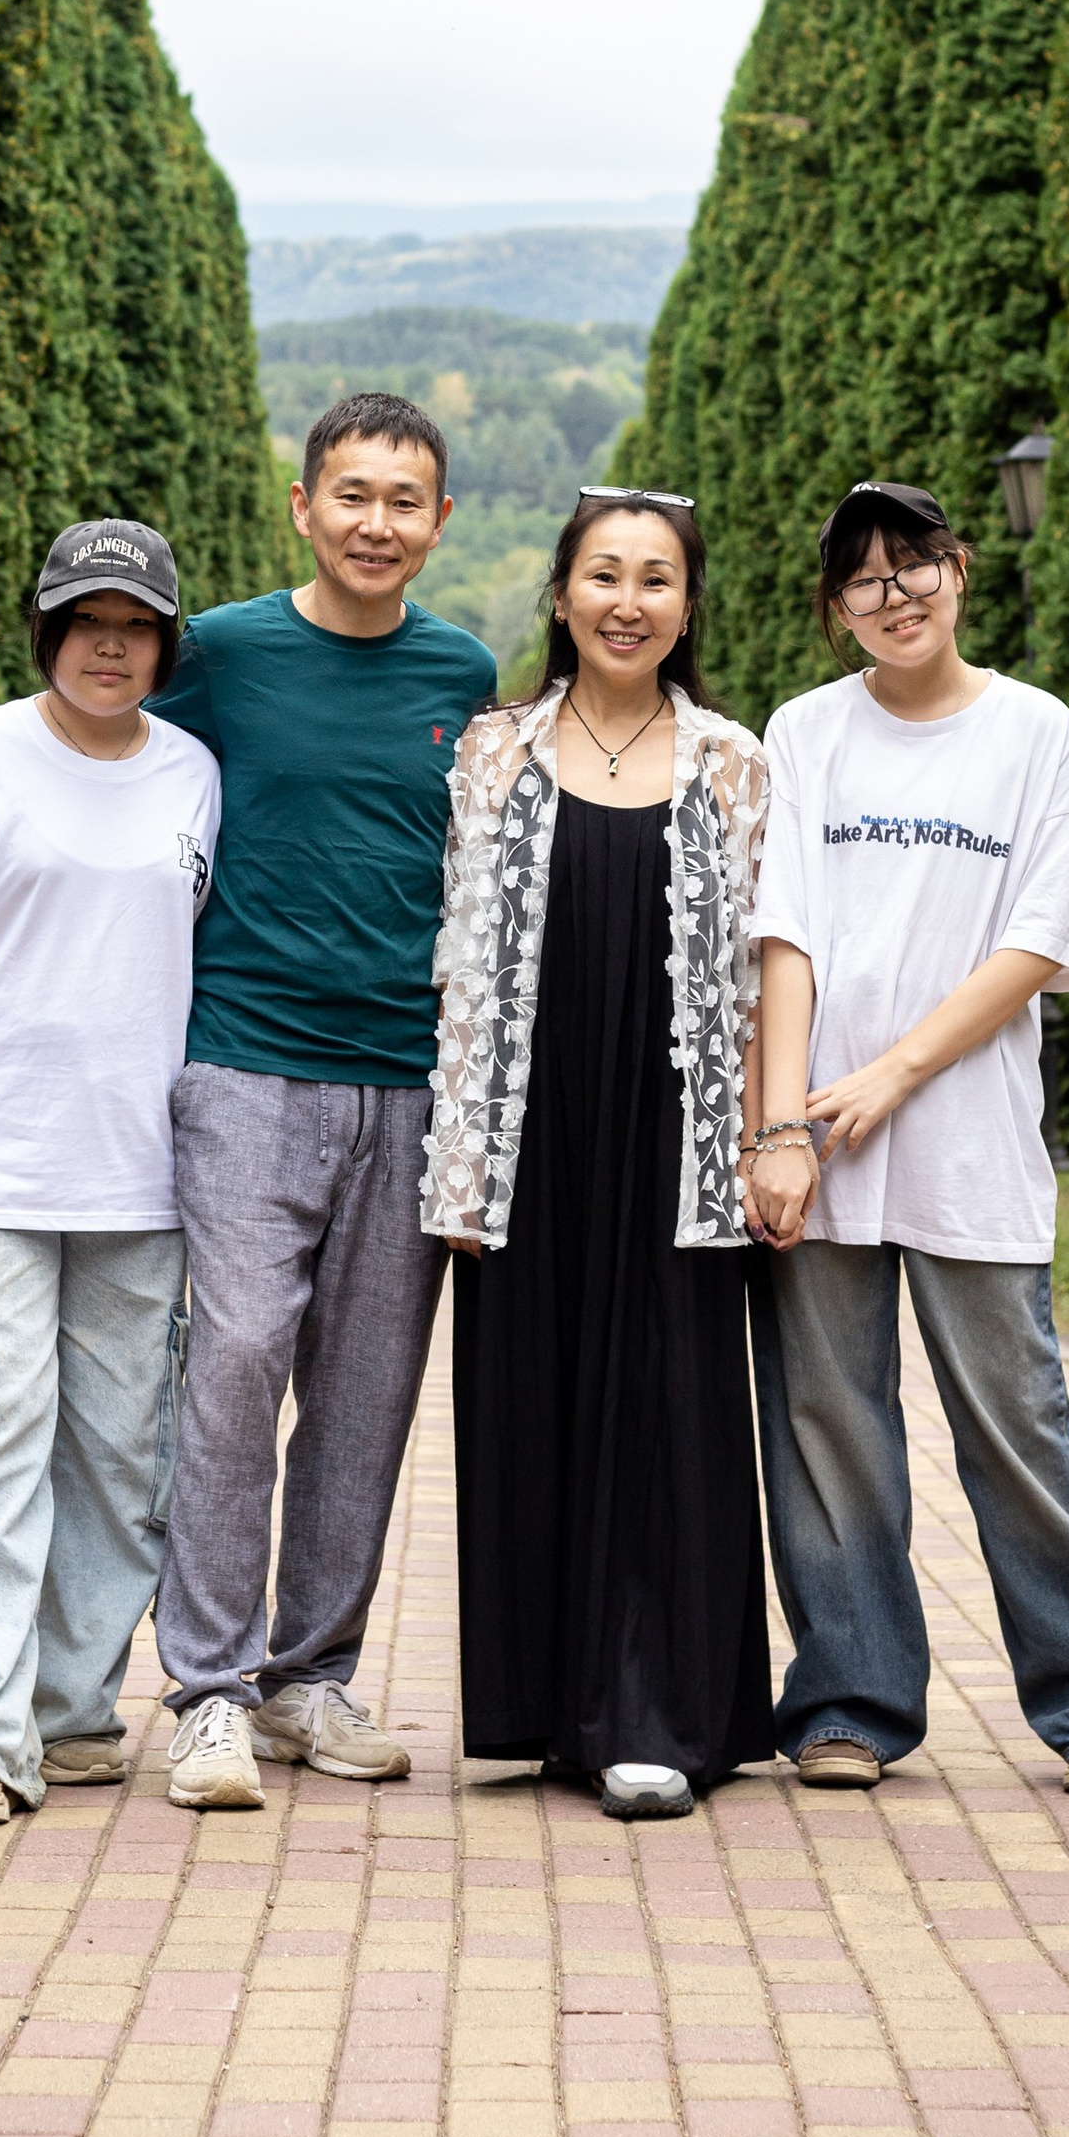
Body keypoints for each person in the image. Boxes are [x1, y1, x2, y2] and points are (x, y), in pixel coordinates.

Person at [0, 395, 498, 1813]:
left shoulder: (460, 675)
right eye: (352, 493)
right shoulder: (217, 655)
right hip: (237, 1076)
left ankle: (299, 1685)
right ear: (303, 504)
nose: (376, 522)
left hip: (401, 1086)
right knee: (219, 1391)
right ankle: (193, 1693)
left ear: (441, 522)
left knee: (347, 1406)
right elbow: (45, 766)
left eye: (406, 500)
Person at [746, 478, 1069, 1797]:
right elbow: (790, 935)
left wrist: (892, 1073)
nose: (894, 594)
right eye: (863, 580)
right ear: (836, 613)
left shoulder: (1030, 732)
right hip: (820, 1143)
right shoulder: (807, 733)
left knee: (1015, 1422)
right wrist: (781, 1126)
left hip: (970, 1138)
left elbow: (1041, 940)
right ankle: (850, 1696)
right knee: (830, 1430)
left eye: (915, 565)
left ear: (960, 573)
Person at [0, 519, 220, 1828]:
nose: (109, 645)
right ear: (48, 632)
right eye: (86, 621)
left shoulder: (194, 773)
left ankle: (69, 1713)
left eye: (134, 626)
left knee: (124, 1465)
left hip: (144, 1183)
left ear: (165, 645)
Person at [426, 489, 775, 1820]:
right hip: (528, 1137)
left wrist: (759, 1142)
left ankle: (660, 1713)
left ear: (688, 607)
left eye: (657, 579)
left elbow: (760, 971)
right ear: (563, 596)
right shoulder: (493, 752)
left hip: (679, 1139)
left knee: (673, 1414)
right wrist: (460, 1164)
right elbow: (458, 966)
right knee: (535, 1399)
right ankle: (554, 1708)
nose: (628, 600)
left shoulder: (736, 762)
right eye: (603, 575)